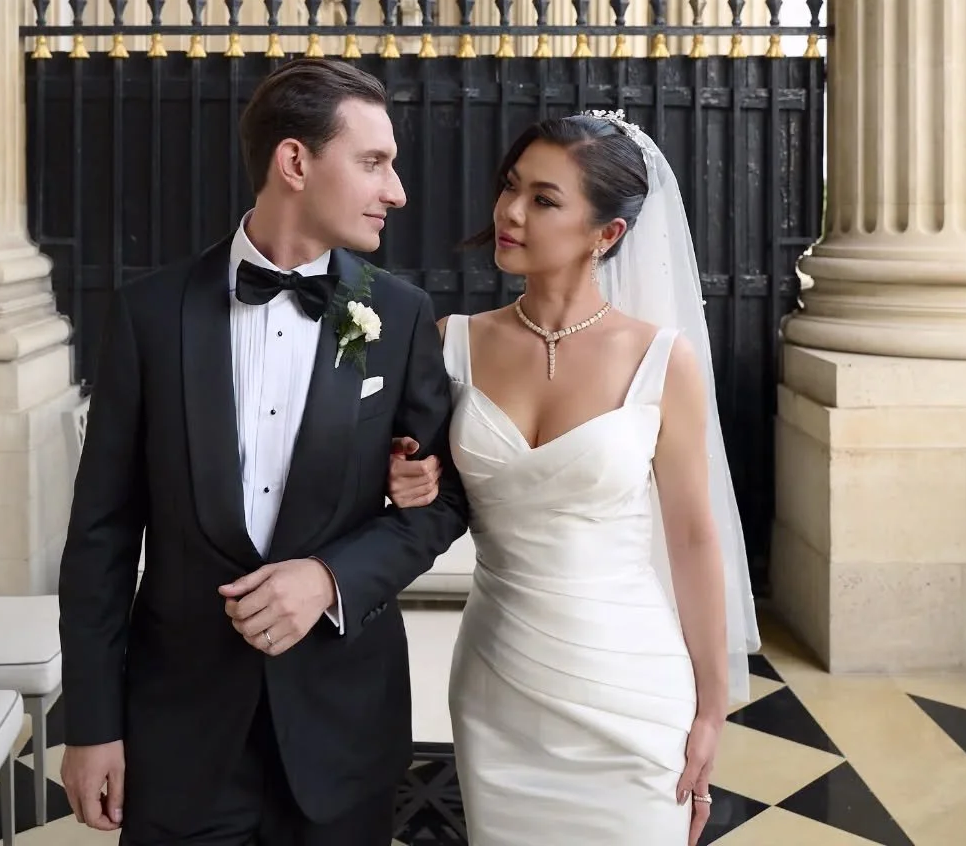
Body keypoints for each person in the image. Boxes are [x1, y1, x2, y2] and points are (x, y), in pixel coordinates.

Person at [59, 57, 468, 846]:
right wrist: (92, 724)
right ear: (294, 161)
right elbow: (101, 534)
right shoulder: (149, 314)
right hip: (179, 734)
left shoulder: (402, 314)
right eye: (374, 163)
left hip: (342, 731)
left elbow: (443, 501)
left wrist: (329, 579)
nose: (398, 191)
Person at [388, 111, 759, 846]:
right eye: (510, 187)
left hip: (632, 685)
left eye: (544, 199)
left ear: (606, 235)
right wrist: (408, 474)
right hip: (500, 683)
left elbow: (691, 538)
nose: (511, 212)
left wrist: (710, 711)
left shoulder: (662, 360)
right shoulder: (451, 344)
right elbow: (416, 487)